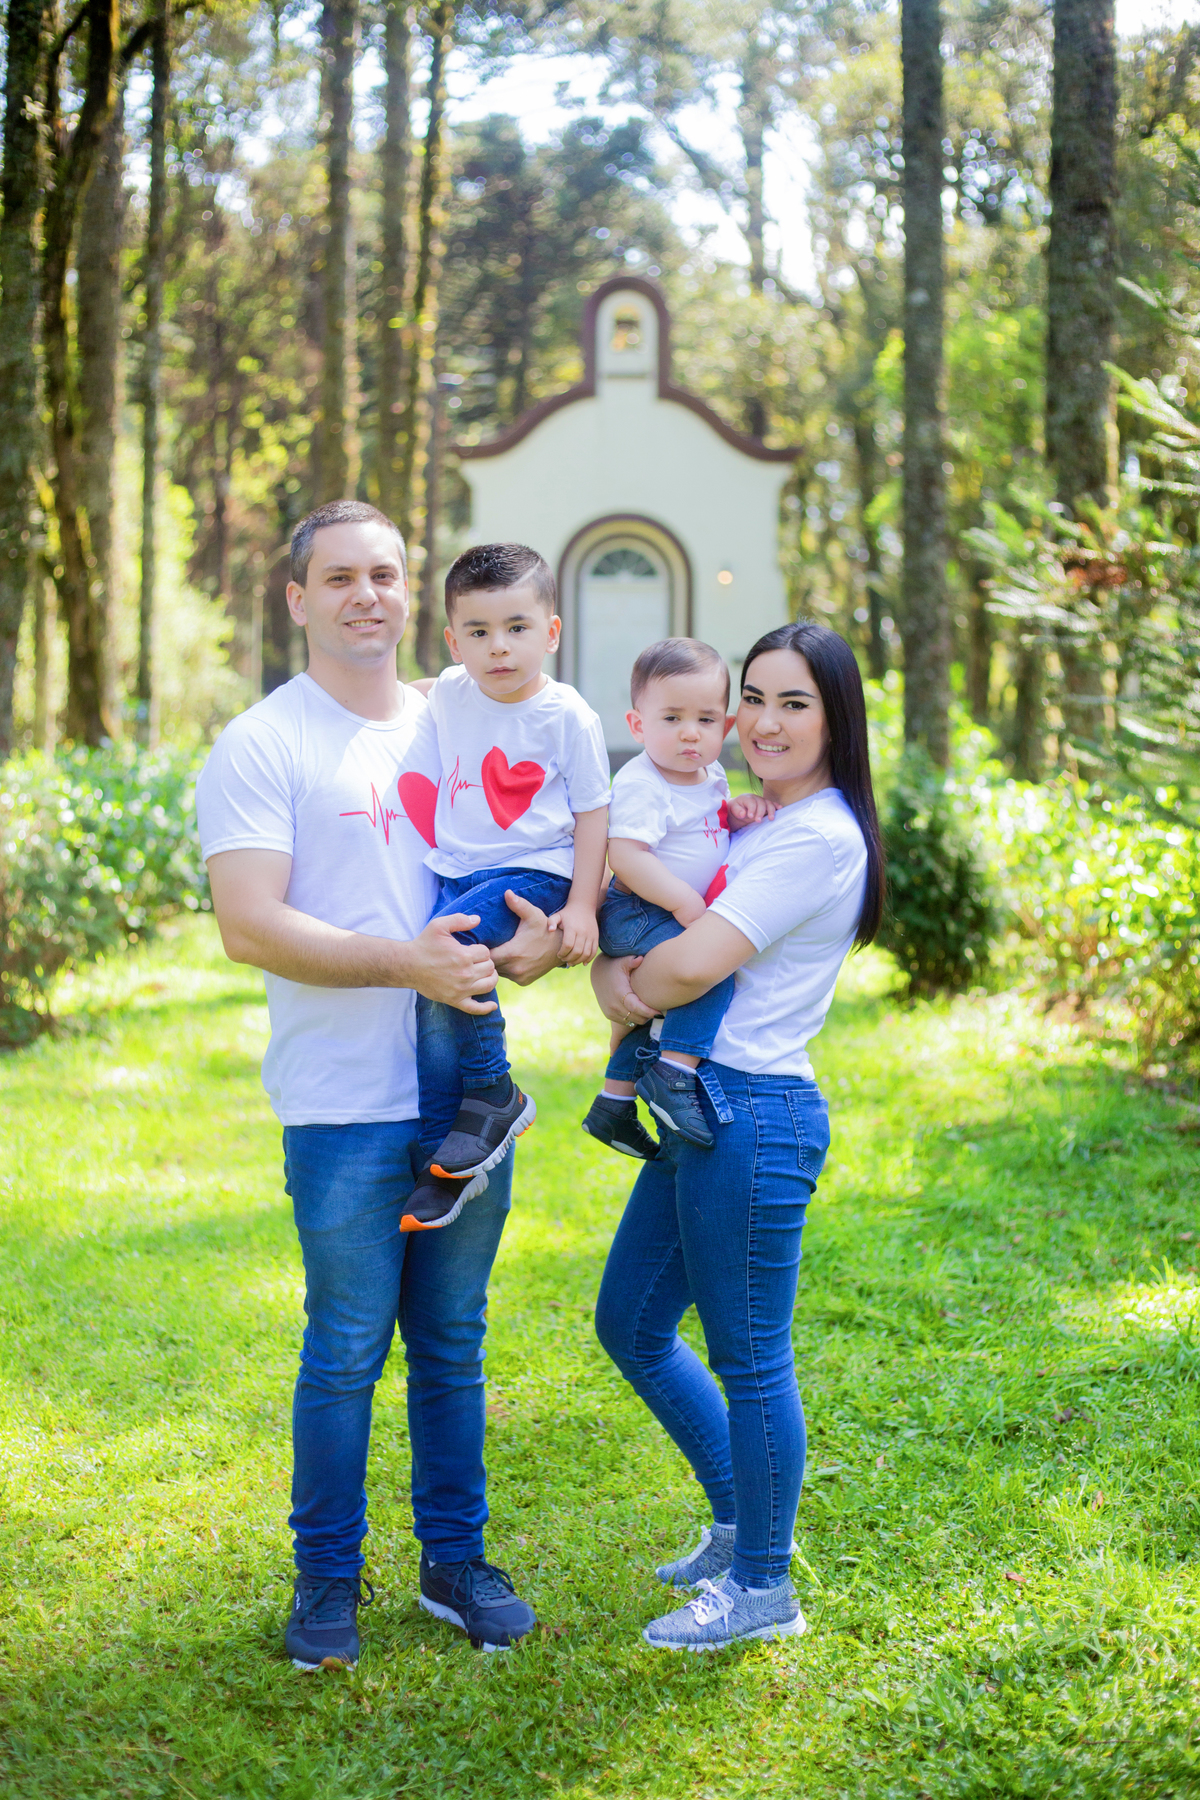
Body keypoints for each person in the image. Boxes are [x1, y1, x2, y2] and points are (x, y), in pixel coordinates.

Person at [195, 500, 562, 1671]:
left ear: (414, 597)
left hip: (465, 1100)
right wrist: (405, 962)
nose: (368, 594)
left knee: (453, 1342)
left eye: (388, 575)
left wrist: (550, 935)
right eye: (341, 577)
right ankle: (325, 1585)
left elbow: (547, 861)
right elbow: (249, 925)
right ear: (297, 600)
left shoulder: (466, 720)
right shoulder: (265, 743)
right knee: (347, 1345)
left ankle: (455, 1563)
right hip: (343, 1104)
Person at [590, 620, 885, 1651]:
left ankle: (764, 1588)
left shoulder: (817, 836)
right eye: (751, 696)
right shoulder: (754, 818)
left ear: (834, 717)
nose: (761, 720)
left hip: (752, 1114)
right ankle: (739, 1524)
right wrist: (621, 980)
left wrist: (617, 982)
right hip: (697, 1106)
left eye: (793, 702)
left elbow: (677, 973)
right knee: (629, 1323)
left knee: (751, 1357)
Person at [401, 543, 610, 1231]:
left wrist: (581, 904)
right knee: (432, 1004)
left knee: (446, 959)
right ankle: (442, 1159)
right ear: (453, 640)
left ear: (551, 632)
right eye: (479, 632)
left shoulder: (567, 715)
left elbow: (592, 813)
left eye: (518, 628)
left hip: (534, 874)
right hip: (459, 872)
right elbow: (397, 700)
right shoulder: (451, 691)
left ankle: (494, 1089)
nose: (499, 648)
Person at [580, 638, 771, 1161]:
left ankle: (614, 1102)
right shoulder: (643, 780)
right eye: (671, 718)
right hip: (638, 908)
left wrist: (736, 810)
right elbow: (627, 855)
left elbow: (702, 827)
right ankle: (674, 1074)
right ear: (638, 725)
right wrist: (687, 903)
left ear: (726, 728)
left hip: (665, 909)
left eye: (706, 720)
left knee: (650, 1014)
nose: (691, 732)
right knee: (708, 973)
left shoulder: (710, 775)